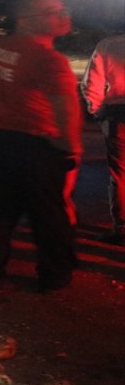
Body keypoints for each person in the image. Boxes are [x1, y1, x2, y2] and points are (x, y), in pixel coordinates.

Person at [0, 0, 82, 296]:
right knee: (50, 215)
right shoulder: (49, 58)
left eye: (63, 9)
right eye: (52, 12)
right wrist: (70, 147)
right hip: (38, 143)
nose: (63, 15)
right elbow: (66, 108)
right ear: (26, 21)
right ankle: (54, 275)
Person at [82, 34, 125, 245]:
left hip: (120, 116)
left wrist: (97, 111)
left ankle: (122, 228)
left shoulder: (108, 45)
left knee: (121, 175)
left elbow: (92, 84)